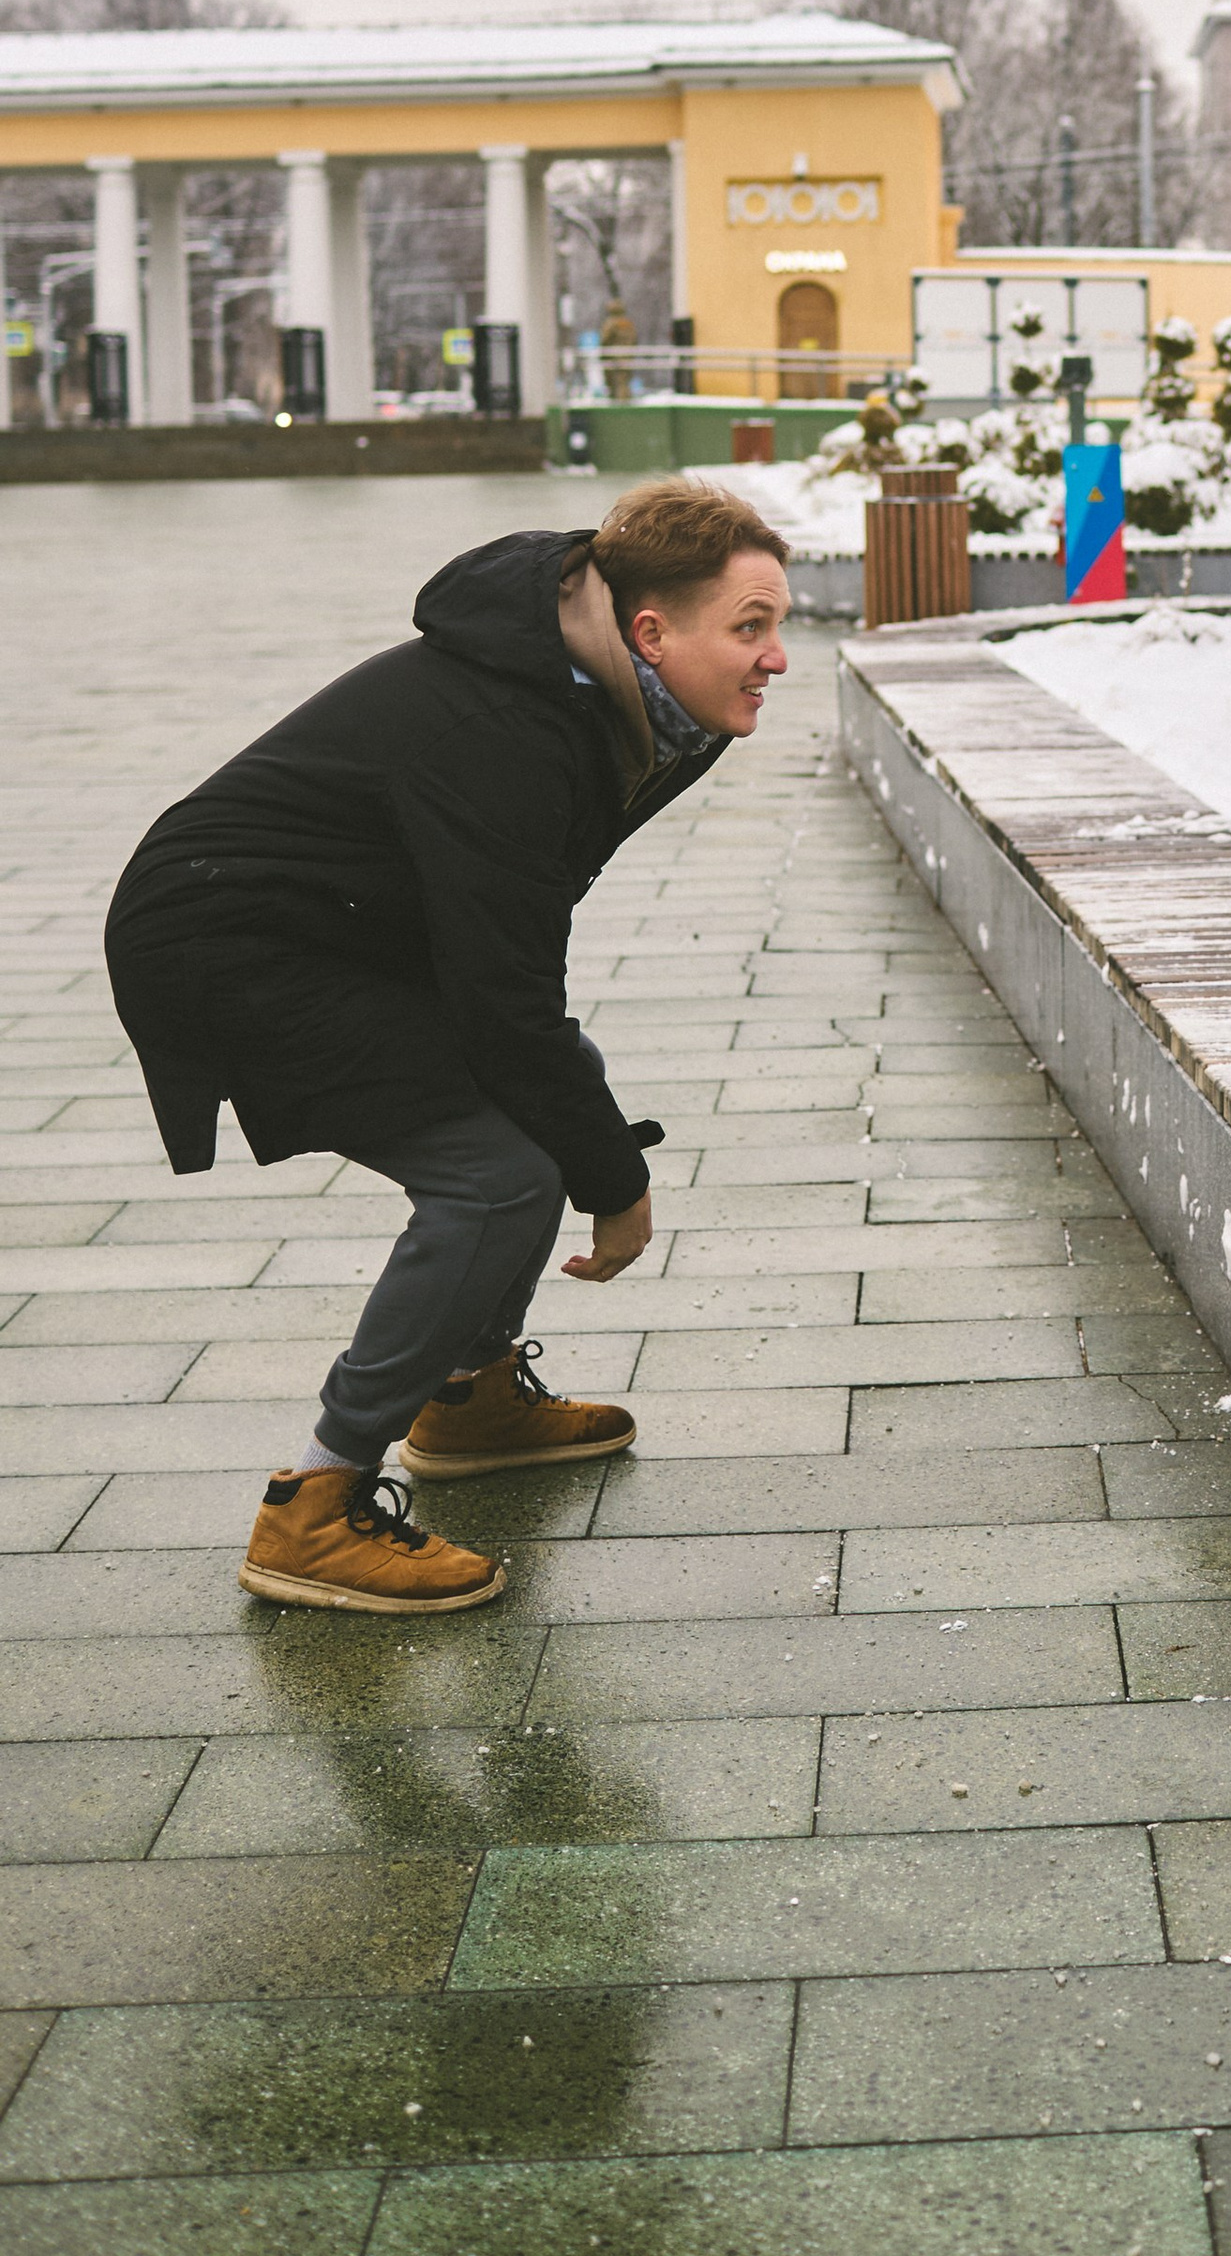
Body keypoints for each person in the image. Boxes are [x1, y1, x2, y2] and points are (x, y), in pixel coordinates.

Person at [105, 481, 792, 1617]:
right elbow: (505, 995)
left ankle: (468, 1401)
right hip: (227, 940)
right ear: (651, 632)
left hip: (345, 926)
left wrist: (577, 1123)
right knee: (497, 1173)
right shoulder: (514, 725)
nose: (773, 658)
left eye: (780, 625)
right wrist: (613, 1181)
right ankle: (315, 1507)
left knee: (525, 1122)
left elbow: (515, 941)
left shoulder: (651, 706)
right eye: (750, 627)